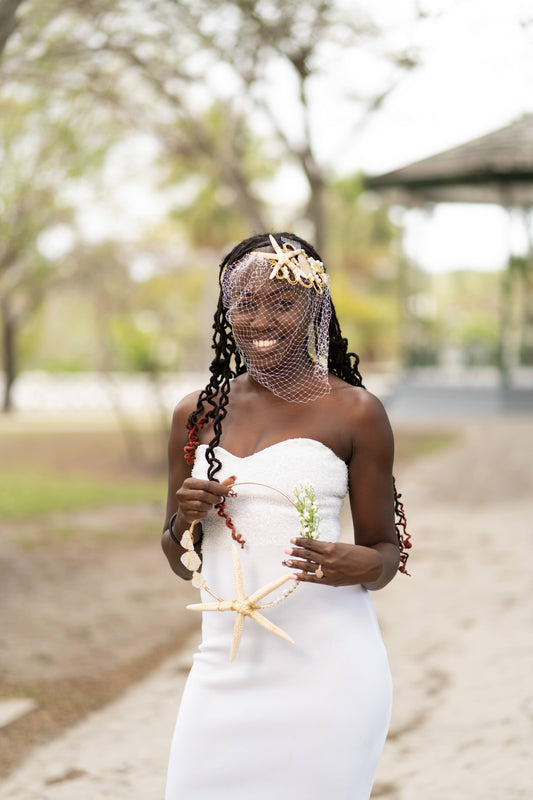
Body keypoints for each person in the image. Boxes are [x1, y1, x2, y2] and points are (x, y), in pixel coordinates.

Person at [162, 232, 411, 800]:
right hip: (224, 665)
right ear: (226, 310)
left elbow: (385, 552)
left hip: (330, 670)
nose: (261, 319)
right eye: (244, 303)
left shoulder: (356, 412)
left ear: (315, 306)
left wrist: (362, 564)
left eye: (283, 301)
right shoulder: (195, 414)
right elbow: (178, 560)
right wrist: (186, 522)